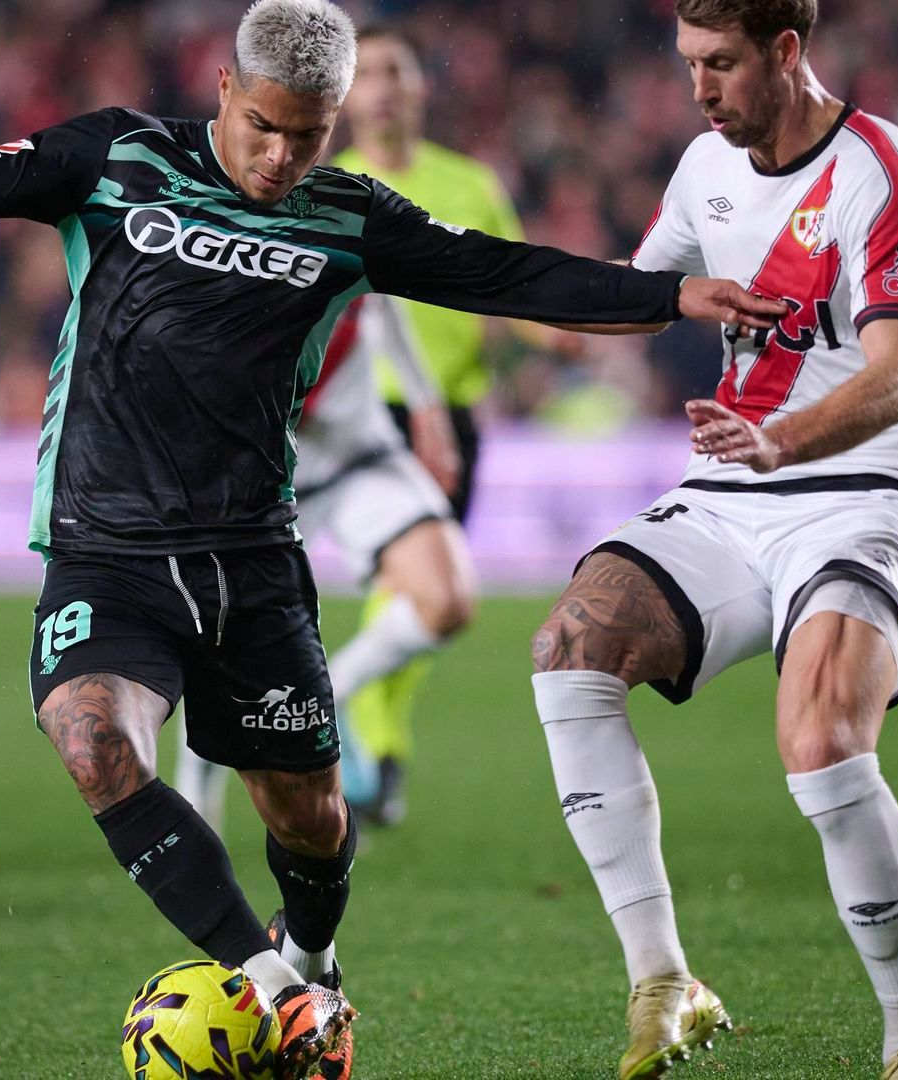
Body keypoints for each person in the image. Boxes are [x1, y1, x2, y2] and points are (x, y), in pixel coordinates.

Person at [0, 1, 786, 1076]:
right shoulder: (116, 157)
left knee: (309, 817)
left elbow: (505, 274)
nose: (281, 156)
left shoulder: (348, 216)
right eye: (264, 126)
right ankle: (272, 984)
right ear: (225, 89)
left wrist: (668, 295)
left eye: (308, 135)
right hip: (105, 545)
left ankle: (314, 958)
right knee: (92, 738)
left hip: (251, 564)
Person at [527, 2, 898, 1078]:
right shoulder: (701, 167)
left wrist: (780, 441)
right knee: (570, 648)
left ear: (786, 50)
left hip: (869, 496)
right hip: (732, 497)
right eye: (687, 64)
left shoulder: (881, 172)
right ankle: (664, 980)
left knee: (816, 741)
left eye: (720, 64)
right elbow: (640, 296)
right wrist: (487, 283)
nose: (699, 88)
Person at [326, 23, 565, 823]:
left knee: (426, 604)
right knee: (407, 583)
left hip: (451, 415)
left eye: (399, 71)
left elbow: (514, 282)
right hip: (367, 418)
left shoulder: (469, 184)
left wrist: (564, 324)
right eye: (371, 74)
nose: (386, 88)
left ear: (424, 87)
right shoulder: (329, 187)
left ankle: (366, 731)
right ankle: (371, 740)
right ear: (347, 94)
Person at [172, 291, 471, 833]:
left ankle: (325, 695)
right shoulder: (221, 236)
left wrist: (427, 406)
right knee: (218, 634)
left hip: (362, 455)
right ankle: (196, 793)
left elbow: (382, 289)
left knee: (446, 601)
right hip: (261, 472)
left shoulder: (344, 213)